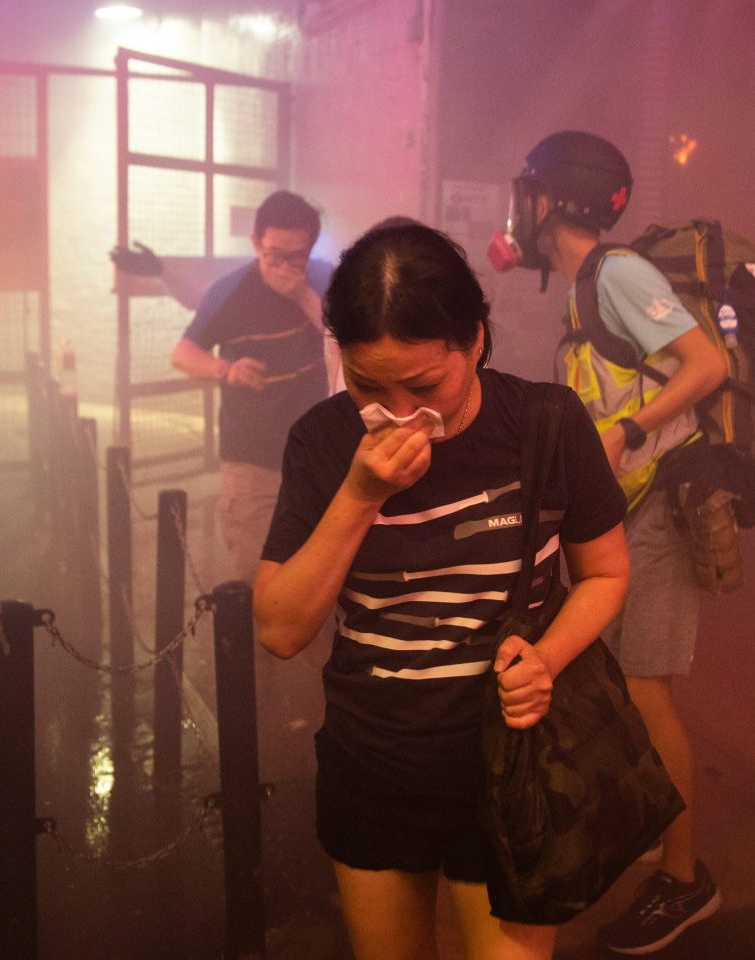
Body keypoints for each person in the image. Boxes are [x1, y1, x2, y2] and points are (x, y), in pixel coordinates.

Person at [253, 222, 631, 960]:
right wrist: (360, 492)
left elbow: (608, 573)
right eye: (368, 385)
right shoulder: (324, 443)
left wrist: (547, 659)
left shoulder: (547, 426)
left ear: (476, 342)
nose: (398, 411)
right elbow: (280, 628)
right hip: (372, 764)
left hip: (507, 768)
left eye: (424, 386)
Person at [491, 131, 727, 954]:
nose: (519, 207)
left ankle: (685, 882)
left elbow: (708, 363)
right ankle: (648, 844)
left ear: (555, 199)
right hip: (622, 516)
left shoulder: (619, 274)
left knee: (648, 692)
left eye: (529, 191)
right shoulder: (586, 285)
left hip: (658, 511)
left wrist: (628, 428)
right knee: (621, 688)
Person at [167, 190, 337, 583]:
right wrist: (224, 369)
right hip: (251, 460)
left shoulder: (323, 280)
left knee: (319, 579)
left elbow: (346, 341)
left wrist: (303, 296)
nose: (286, 266)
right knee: (260, 579)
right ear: (256, 243)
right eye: (274, 254)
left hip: (317, 460)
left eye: (297, 256)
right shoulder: (229, 291)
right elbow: (183, 352)